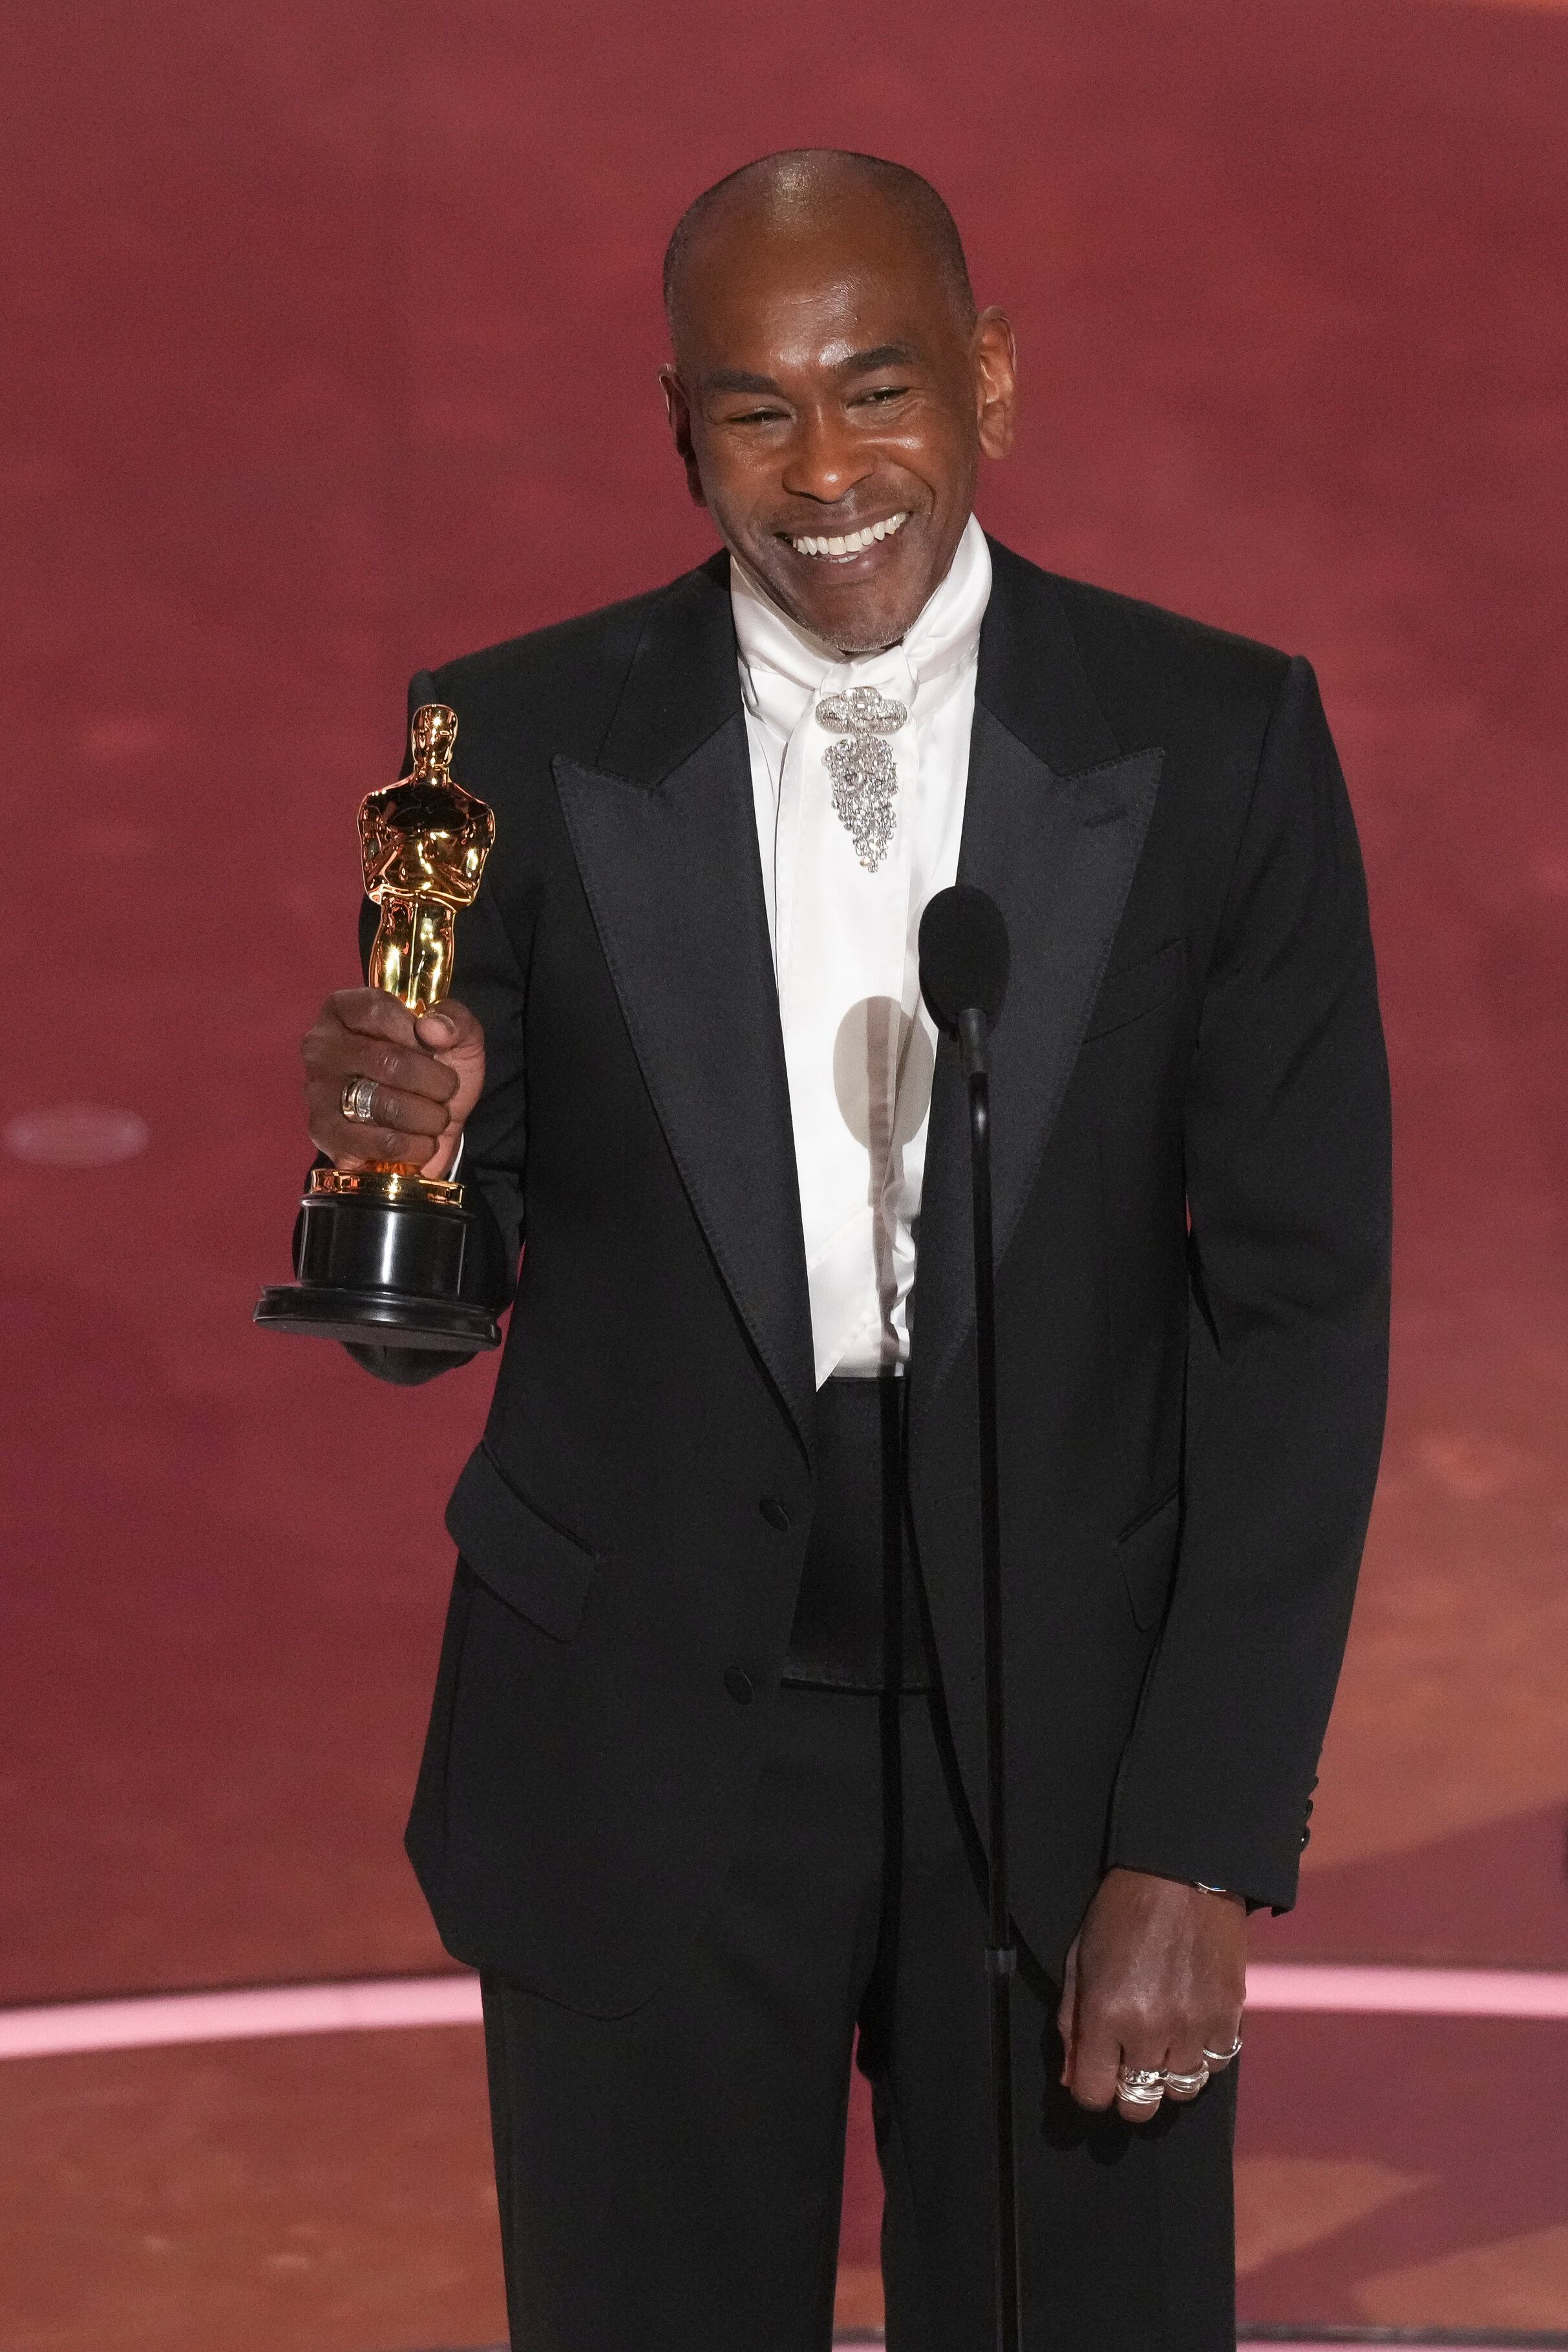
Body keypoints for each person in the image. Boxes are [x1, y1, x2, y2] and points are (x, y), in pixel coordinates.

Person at [297, 149, 1391, 2351]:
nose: (822, 475)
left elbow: (1300, 1313)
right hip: (635, 1747)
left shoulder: (1210, 737)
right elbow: (447, 1297)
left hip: (1067, 1769)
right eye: (753, 411)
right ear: (676, 430)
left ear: (987, 378)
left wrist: (1199, 1838)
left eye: (874, 390)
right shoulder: (507, 740)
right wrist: (394, 1169)